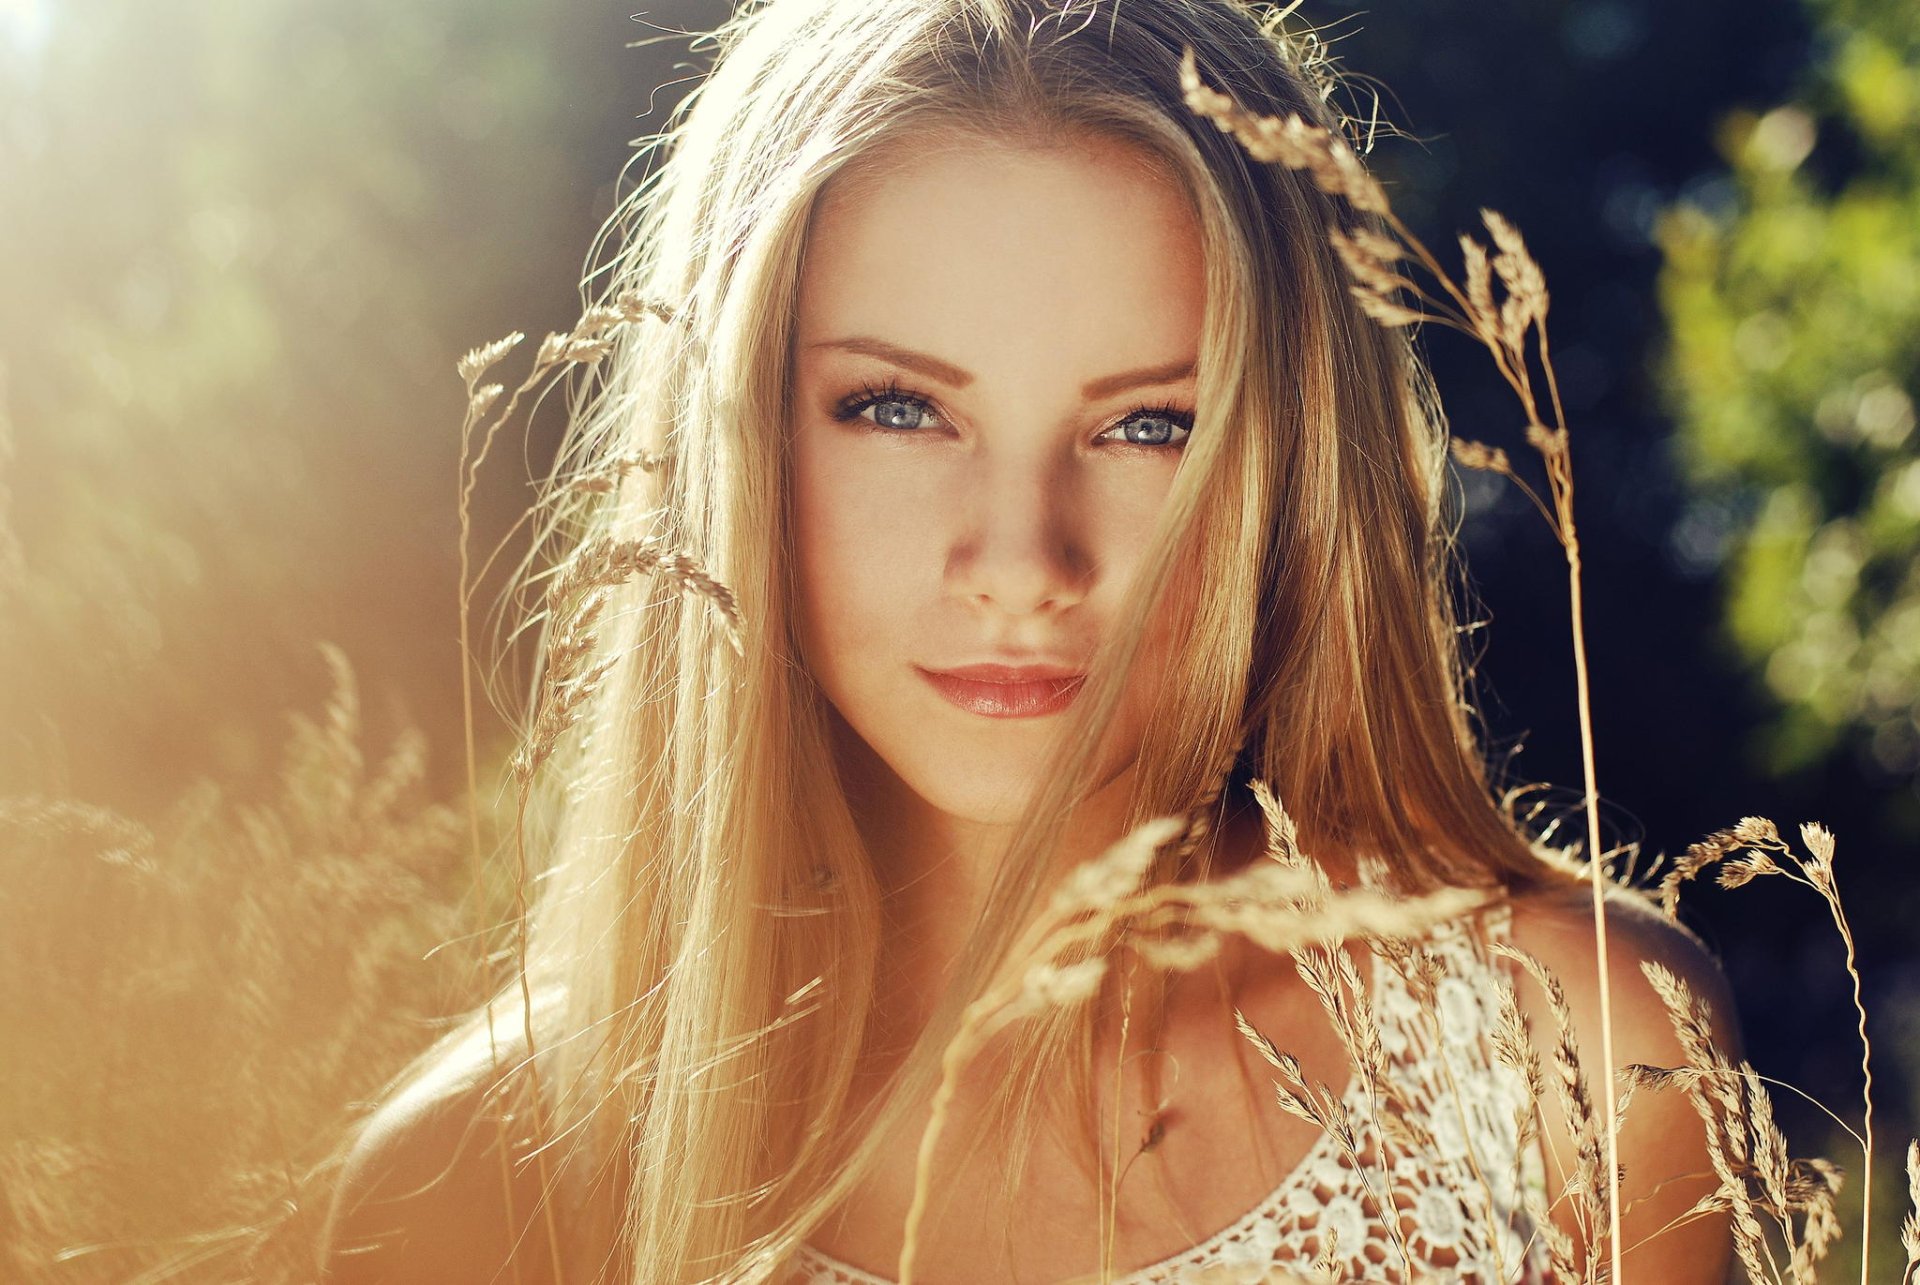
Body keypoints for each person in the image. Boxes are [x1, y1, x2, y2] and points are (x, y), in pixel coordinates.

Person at [319, 1, 1740, 1281]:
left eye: (1147, 425)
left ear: (1294, 466)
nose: (1019, 565)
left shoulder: (1572, 1054)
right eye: (895, 407)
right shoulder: (481, 1180)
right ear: (735, 446)